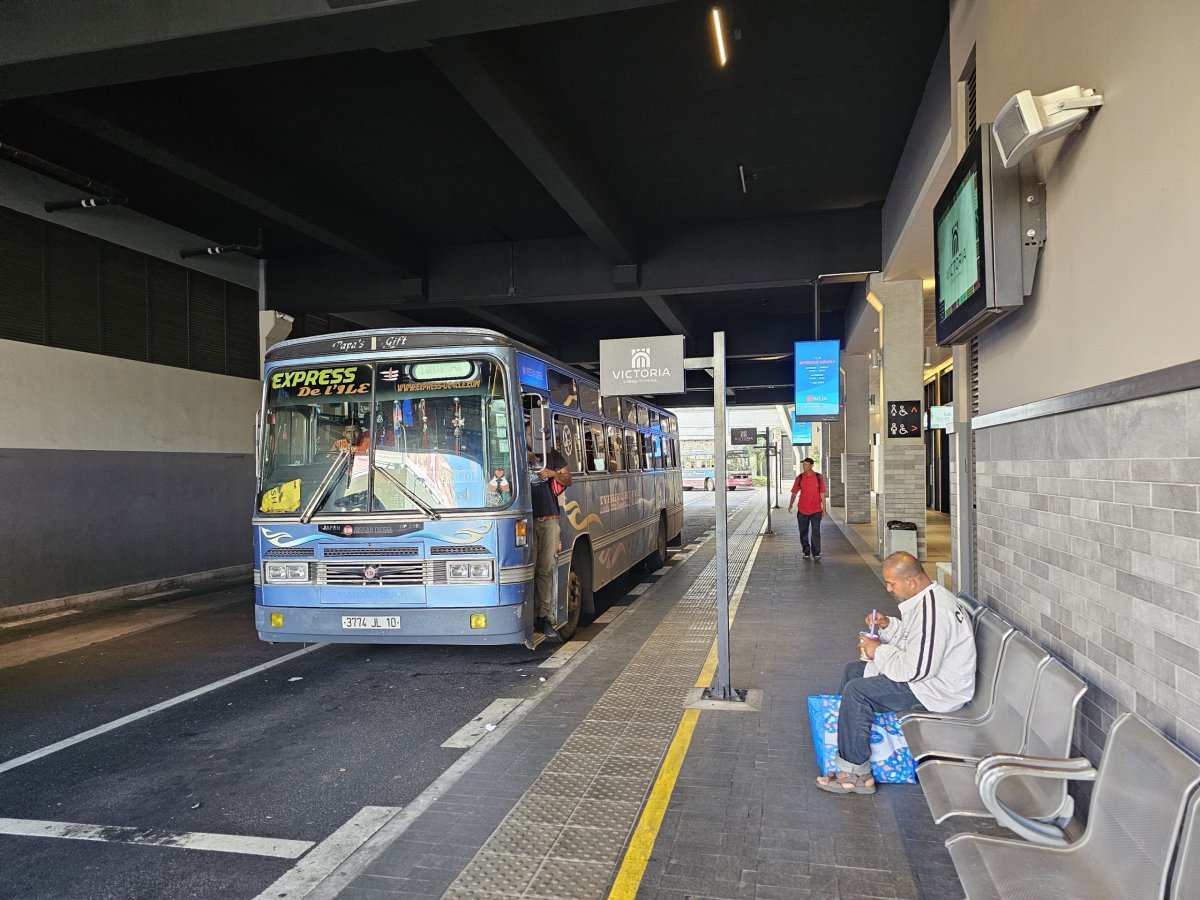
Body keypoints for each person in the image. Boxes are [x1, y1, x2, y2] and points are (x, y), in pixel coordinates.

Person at [816, 551, 976, 795]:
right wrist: (887, 625)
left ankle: (856, 773)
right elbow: (917, 642)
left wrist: (878, 650)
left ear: (910, 581)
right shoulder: (926, 600)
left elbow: (916, 670)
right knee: (853, 671)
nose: (889, 589)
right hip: (928, 680)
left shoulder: (934, 611)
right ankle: (841, 747)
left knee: (858, 691)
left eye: (892, 583)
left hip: (937, 690)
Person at [528, 429, 572, 641]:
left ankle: (543, 616)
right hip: (522, 520)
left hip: (549, 518)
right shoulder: (510, 451)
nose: (531, 435)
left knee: (545, 568)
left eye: (532, 430)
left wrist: (551, 473)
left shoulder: (551, 455)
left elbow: (568, 479)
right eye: (527, 431)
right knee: (529, 570)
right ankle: (527, 615)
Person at [787, 457, 827, 559]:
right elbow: (794, 492)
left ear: (811, 465)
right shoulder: (799, 478)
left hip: (816, 511)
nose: (804, 467)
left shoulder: (819, 477)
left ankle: (816, 553)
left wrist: (824, 508)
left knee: (816, 532)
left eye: (806, 465)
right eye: (803, 465)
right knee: (803, 532)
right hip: (802, 510)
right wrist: (791, 503)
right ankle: (806, 551)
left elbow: (822, 493)